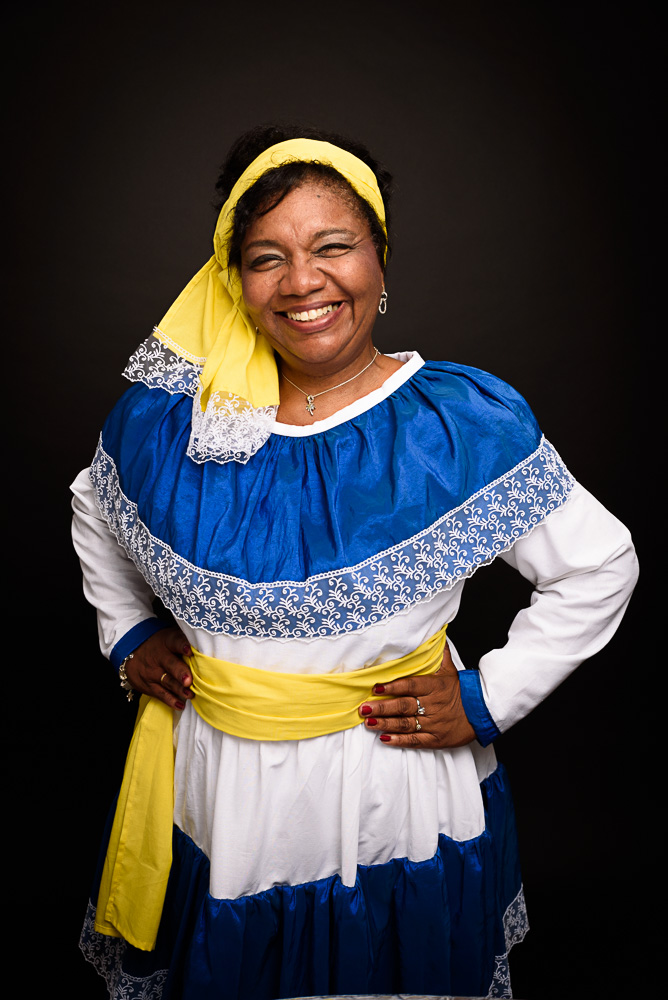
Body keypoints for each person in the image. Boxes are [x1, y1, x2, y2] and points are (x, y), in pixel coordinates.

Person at [72, 124, 638, 1000]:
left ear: (380, 256)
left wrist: (489, 697)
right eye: (266, 258)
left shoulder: (452, 425)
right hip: (227, 793)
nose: (302, 281)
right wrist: (129, 632)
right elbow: (94, 505)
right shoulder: (172, 425)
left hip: (393, 790)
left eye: (332, 246)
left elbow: (599, 563)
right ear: (233, 279)